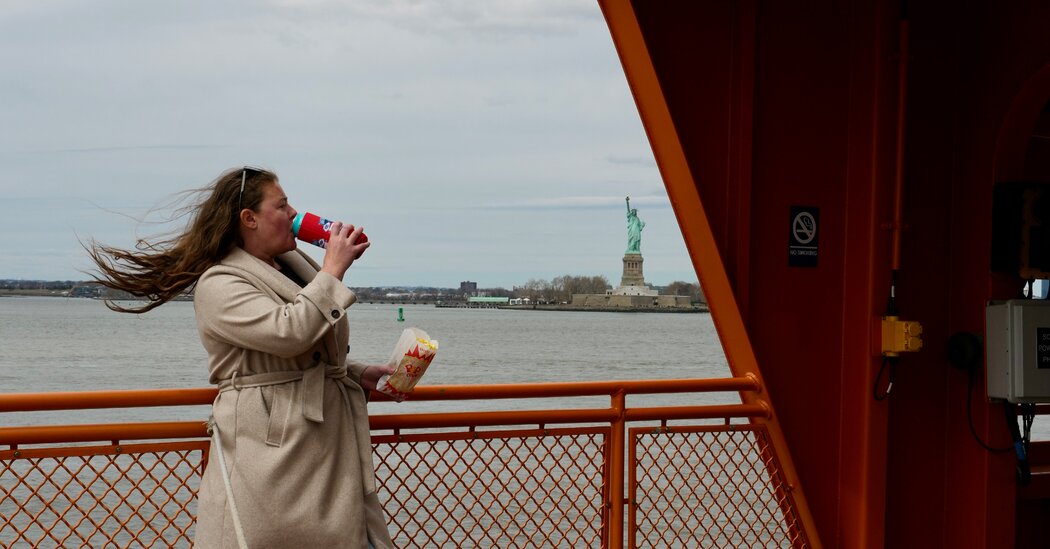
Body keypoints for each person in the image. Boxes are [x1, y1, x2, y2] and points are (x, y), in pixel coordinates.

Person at [86, 166, 396, 548]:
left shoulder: (293, 263)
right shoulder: (220, 282)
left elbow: (309, 351)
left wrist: (355, 373)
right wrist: (332, 271)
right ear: (249, 218)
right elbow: (288, 333)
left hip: (325, 440)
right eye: (282, 206)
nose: (294, 214)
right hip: (273, 447)